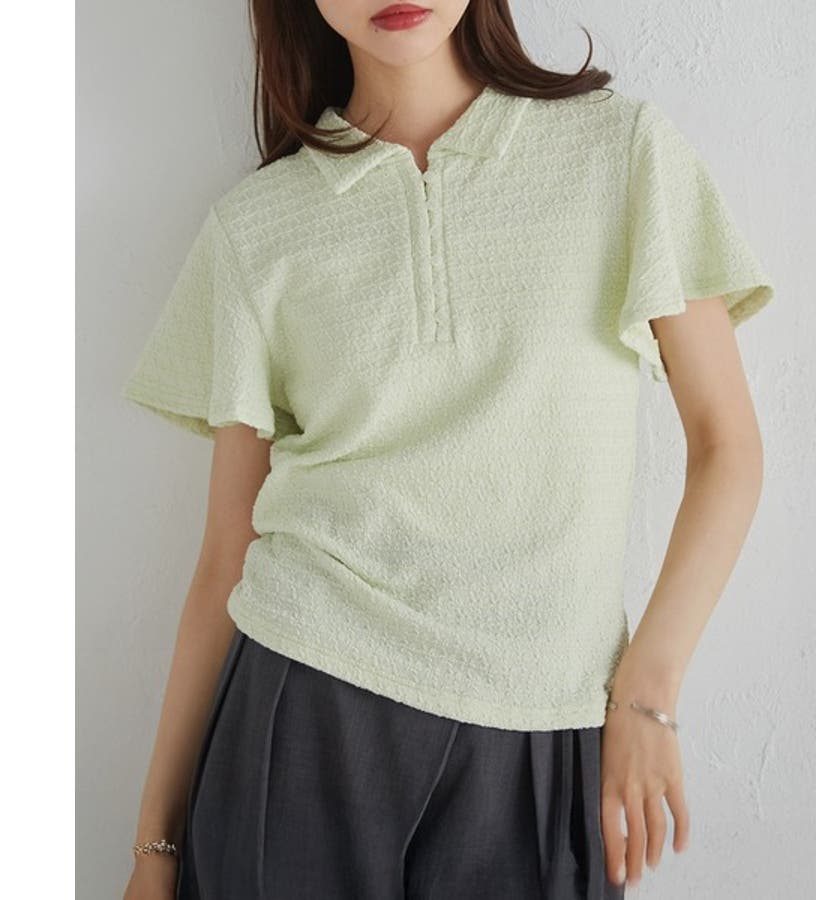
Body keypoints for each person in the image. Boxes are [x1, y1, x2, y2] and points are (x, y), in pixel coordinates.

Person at [120, 1, 775, 898]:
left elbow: (728, 446)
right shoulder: (256, 227)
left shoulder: (620, 152)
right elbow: (226, 553)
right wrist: (155, 849)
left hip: (549, 722)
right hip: (306, 704)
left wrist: (647, 693)